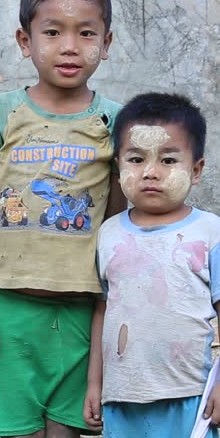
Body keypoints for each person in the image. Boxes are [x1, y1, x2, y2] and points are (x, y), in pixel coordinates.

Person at [0, 0, 127, 437]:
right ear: (25, 40)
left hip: (80, 309)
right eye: (52, 32)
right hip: (7, 307)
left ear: (107, 42)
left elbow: (116, 220)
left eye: (86, 33)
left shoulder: (114, 121)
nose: (69, 46)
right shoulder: (1, 112)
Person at [84, 93, 220, 437]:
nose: (150, 172)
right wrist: (94, 385)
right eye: (136, 158)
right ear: (118, 167)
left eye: (168, 161)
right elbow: (103, 311)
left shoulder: (209, 232)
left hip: (190, 397)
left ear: (197, 170)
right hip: (122, 399)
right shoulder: (108, 234)